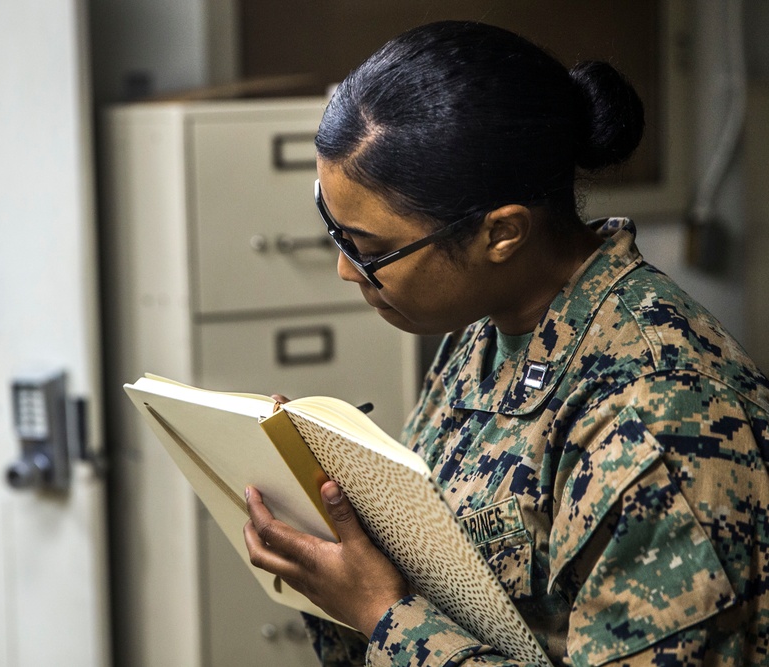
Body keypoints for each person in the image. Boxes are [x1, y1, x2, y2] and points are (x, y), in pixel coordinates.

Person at [242, 20, 769, 667]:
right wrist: (342, 536)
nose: (347, 270)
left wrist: (382, 617)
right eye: (335, 227)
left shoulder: (657, 420)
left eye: (371, 249)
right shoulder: (494, 332)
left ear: (502, 234)